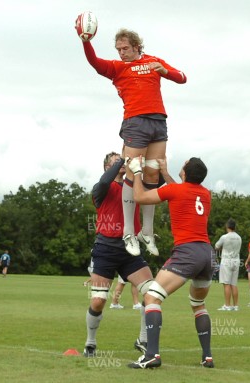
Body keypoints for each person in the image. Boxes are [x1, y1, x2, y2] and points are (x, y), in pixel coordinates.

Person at [77, 26, 187, 258]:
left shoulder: (154, 61)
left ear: (137, 46)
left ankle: (146, 231)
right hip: (135, 122)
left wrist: (165, 71)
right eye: (118, 49)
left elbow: (183, 78)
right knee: (132, 171)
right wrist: (86, 41)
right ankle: (129, 231)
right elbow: (95, 63)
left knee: (152, 173)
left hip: (158, 120)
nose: (121, 52)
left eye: (125, 48)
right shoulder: (118, 68)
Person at [126, 156, 215, 369]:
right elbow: (181, 190)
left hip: (187, 253)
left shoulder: (176, 190)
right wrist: (165, 173)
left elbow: (139, 196)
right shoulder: (205, 194)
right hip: (207, 255)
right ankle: (207, 356)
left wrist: (137, 171)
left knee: (151, 298)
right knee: (198, 304)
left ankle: (152, 355)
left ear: (184, 172)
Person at [83, 152, 154, 358]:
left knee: (151, 293)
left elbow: (151, 190)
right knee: (98, 300)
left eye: (121, 161)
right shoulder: (102, 189)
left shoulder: (133, 188)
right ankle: (90, 343)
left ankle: (143, 340)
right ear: (107, 167)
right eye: (115, 162)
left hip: (129, 249)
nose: (121, 164)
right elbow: (105, 181)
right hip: (105, 248)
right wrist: (124, 158)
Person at [215, 219, 242, 311]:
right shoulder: (239, 237)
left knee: (226, 284)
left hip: (226, 261)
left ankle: (227, 305)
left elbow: (216, 246)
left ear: (227, 226)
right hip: (236, 260)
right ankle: (236, 306)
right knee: (234, 284)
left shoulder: (224, 237)